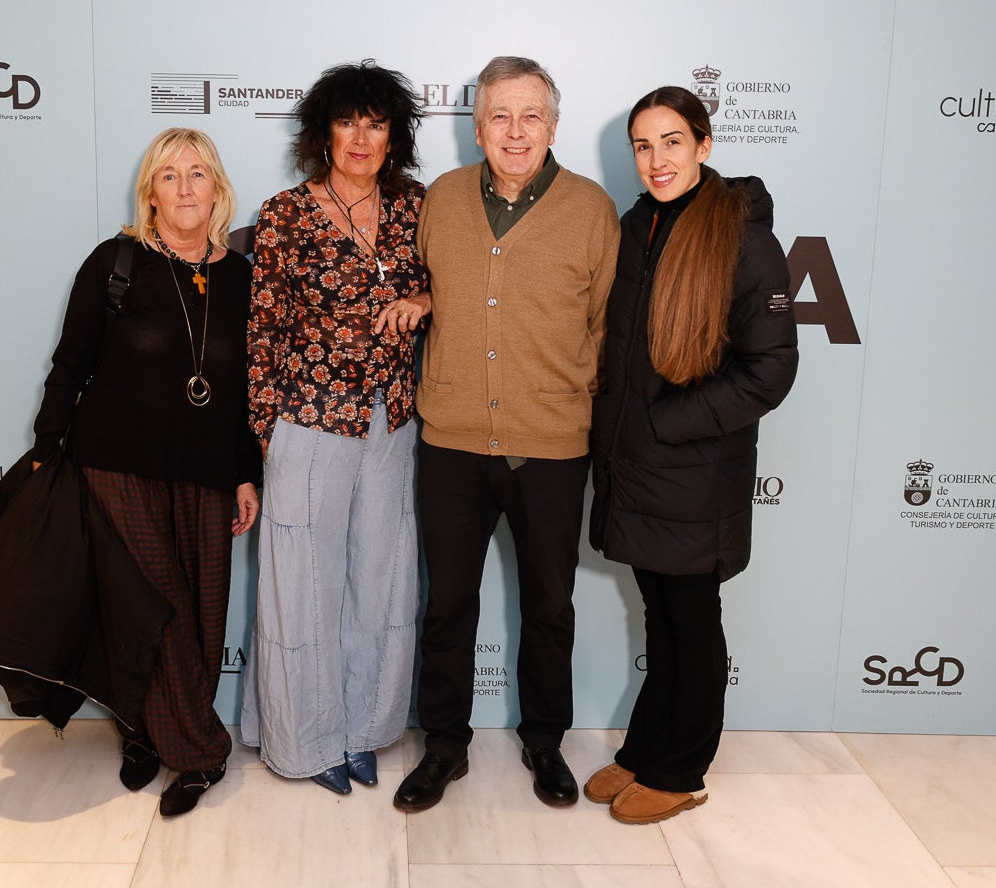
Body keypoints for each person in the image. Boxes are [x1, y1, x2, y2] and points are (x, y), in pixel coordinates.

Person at [393, 56, 619, 813]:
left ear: (552, 126)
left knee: (549, 604)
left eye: (530, 116)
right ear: (476, 126)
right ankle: (445, 746)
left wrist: (564, 397)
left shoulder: (590, 209)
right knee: (448, 603)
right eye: (499, 116)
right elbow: (419, 284)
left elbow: (605, 327)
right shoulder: (441, 200)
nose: (515, 132)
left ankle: (544, 739)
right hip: (451, 442)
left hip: (551, 448)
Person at [32, 128, 261, 817]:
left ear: (217, 188)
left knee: (199, 614)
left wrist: (246, 474)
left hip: (206, 471)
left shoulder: (240, 276)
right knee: (151, 608)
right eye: (169, 176)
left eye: (197, 174)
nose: (185, 188)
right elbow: (70, 364)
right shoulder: (115, 261)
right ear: (150, 191)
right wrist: (47, 449)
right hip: (116, 465)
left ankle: (144, 731)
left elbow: (248, 389)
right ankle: (197, 752)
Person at [584, 86, 798, 824]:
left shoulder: (742, 239)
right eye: (642, 145)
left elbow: (769, 371)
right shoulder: (636, 224)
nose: (656, 159)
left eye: (671, 141)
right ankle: (647, 750)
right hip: (635, 467)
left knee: (689, 616)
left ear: (703, 145)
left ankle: (681, 771)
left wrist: (668, 422)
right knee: (661, 614)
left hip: (693, 470)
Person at [242, 61, 429, 795]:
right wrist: (266, 435)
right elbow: (262, 331)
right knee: (302, 587)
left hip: (390, 420)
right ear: (323, 131)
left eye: (375, 122)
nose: (360, 136)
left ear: (394, 135)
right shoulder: (285, 213)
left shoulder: (417, 206)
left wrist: (423, 296)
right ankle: (303, 741)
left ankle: (361, 731)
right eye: (347, 120)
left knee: (379, 582)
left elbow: (464, 278)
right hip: (307, 420)